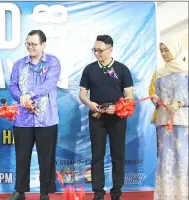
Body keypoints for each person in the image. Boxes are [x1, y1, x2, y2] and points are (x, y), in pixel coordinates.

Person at [6, 30, 61, 200]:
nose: (30, 47)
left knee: (46, 157)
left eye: (34, 44)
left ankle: (45, 192)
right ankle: (20, 190)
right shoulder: (20, 64)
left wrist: (29, 95)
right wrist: (20, 97)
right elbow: (13, 86)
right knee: (22, 155)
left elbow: (49, 85)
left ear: (43, 45)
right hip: (23, 119)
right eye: (28, 44)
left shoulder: (52, 62)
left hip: (47, 119)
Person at [79, 35, 134, 200]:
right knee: (97, 154)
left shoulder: (122, 69)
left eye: (100, 50)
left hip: (117, 116)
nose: (97, 53)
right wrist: (90, 104)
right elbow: (82, 94)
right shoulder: (89, 69)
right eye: (94, 50)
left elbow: (129, 96)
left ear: (110, 49)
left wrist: (117, 108)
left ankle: (116, 192)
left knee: (118, 154)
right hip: (96, 115)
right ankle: (98, 192)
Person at [152, 40, 188, 200]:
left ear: (175, 49)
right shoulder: (159, 73)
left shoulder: (186, 71)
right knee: (165, 158)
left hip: (182, 121)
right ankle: (166, 195)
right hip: (163, 121)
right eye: (162, 51)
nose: (164, 53)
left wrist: (180, 103)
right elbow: (157, 94)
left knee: (182, 157)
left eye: (167, 50)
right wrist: (155, 100)